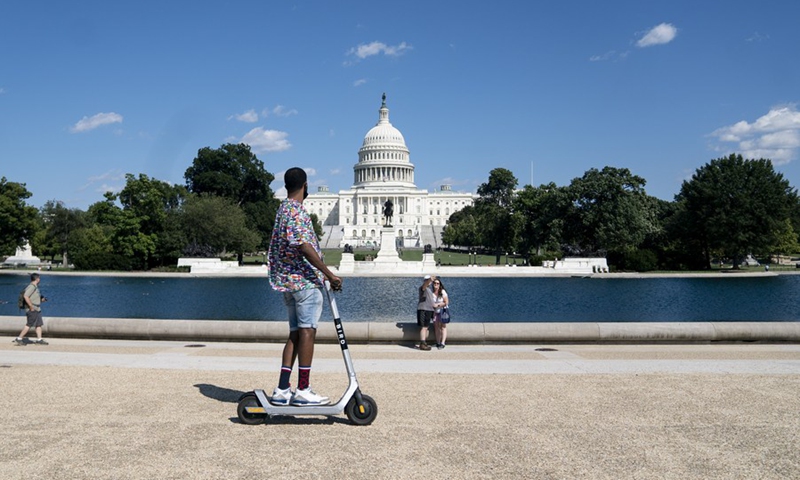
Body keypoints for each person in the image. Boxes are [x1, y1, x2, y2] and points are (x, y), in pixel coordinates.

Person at [268, 167, 343, 406]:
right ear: (306, 185)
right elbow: (303, 245)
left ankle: (282, 389)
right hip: (303, 283)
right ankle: (302, 388)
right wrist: (329, 274)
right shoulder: (297, 211)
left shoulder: (282, 209)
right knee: (308, 331)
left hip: (288, 283)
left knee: (295, 334)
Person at [13, 273, 49, 345]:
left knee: (38, 324)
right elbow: (26, 296)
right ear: (37, 279)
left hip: (37, 308)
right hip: (33, 309)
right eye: (39, 278)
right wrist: (31, 307)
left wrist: (42, 300)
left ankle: (39, 340)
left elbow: (33, 298)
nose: (40, 279)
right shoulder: (31, 287)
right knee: (29, 324)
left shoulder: (35, 287)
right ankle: (19, 338)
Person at [416, 275, 435, 351]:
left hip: (429, 310)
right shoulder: (422, 288)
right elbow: (425, 285)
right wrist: (430, 279)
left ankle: (424, 342)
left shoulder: (429, 290)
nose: (430, 282)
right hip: (423, 309)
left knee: (426, 327)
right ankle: (422, 343)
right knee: (424, 327)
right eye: (427, 280)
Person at [431, 278, 449, 349]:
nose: (436, 284)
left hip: (442, 311)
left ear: (440, 284)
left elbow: (446, 302)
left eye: (437, 283)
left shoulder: (442, 291)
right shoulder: (432, 293)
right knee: (436, 327)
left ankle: (443, 343)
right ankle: (438, 342)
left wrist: (437, 305)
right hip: (435, 312)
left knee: (443, 326)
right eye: (435, 283)